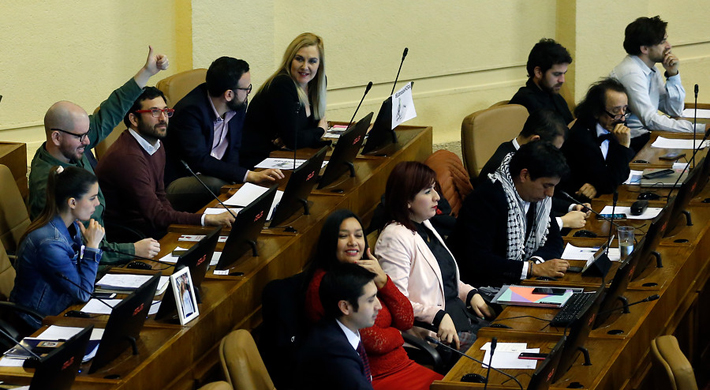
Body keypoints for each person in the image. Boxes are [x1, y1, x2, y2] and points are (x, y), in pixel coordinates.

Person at [29, 46, 166, 264]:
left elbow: (109, 112)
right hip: (92, 266)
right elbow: (76, 252)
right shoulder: (47, 186)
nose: (88, 141)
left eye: (87, 134)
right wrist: (132, 250)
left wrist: (147, 72)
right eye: (81, 136)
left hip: (106, 242)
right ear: (56, 137)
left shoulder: (71, 146)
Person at [304, 210, 442, 390]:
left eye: (359, 235)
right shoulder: (324, 286)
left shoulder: (367, 275)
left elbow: (406, 319)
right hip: (373, 377)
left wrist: (383, 280)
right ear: (330, 242)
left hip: (404, 364)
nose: (353, 242)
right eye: (343, 236)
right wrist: (397, 334)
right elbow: (374, 341)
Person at [376, 162, 493, 354]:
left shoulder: (425, 224)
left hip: (460, 317)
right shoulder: (394, 237)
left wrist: (470, 293)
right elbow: (397, 302)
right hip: (435, 333)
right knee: (496, 352)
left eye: (435, 189)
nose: (437, 197)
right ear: (407, 200)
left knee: (511, 332)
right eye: (428, 191)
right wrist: (437, 316)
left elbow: (443, 278)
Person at [96, 87, 234, 241]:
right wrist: (206, 219)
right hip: (132, 237)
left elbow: (161, 196)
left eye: (165, 111)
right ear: (134, 119)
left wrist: (179, 227)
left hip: (151, 226)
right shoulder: (127, 158)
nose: (163, 118)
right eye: (154, 112)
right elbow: (156, 216)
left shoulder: (156, 144)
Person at [164, 56, 284, 212]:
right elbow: (200, 161)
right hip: (181, 179)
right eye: (246, 89)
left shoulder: (238, 105)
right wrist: (247, 176)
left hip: (215, 171)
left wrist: (239, 178)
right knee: (218, 184)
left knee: (251, 183)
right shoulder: (190, 111)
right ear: (228, 94)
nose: (248, 93)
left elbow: (234, 148)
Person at [448, 142, 569, 287]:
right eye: (546, 186)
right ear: (524, 175)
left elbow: (554, 240)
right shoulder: (486, 199)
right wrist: (531, 269)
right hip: (481, 286)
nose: (550, 194)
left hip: (520, 281)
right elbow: (478, 259)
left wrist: (536, 263)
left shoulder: (539, 199)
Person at [11, 167, 104, 329]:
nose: (97, 203)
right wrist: (92, 248)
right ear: (72, 202)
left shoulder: (72, 226)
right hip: (35, 322)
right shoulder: (49, 243)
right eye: (92, 198)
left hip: (64, 308)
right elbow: (83, 292)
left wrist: (89, 247)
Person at [479, 109, 588, 230]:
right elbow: (516, 219)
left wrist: (571, 207)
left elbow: (541, 197)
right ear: (536, 141)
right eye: (552, 149)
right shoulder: (502, 168)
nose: (555, 156)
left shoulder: (519, 154)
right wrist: (562, 221)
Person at [610, 16, 706, 152]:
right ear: (644, 49)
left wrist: (673, 75)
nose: (669, 46)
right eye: (662, 42)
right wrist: (701, 129)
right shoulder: (631, 74)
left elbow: (674, 110)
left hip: (647, 135)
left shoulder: (650, 69)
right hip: (631, 142)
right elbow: (650, 120)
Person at [241, 33, 330, 169]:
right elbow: (295, 139)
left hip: (284, 156)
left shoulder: (316, 84)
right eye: (299, 59)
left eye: (312, 61)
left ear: (319, 64)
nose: (305, 67)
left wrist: (295, 137)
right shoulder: (282, 85)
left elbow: (297, 136)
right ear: (290, 60)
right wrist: (320, 130)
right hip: (259, 161)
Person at [297, 263, 381, 390]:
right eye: (370, 300)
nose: (378, 306)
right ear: (345, 307)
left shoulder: (341, 329)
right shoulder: (335, 353)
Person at [561, 78, 636, 200]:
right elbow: (610, 183)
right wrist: (623, 146)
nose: (622, 118)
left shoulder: (614, 124)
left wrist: (597, 185)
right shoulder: (581, 138)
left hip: (600, 196)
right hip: (576, 201)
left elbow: (623, 174)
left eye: (625, 110)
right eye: (615, 111)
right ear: (596, 111)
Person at [510, 38, 574, 125]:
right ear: (538, 72)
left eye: (564, 74)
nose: (562, 80)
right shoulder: (524, 101)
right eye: (557, 74)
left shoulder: (554, 95)